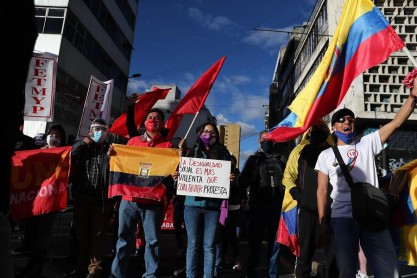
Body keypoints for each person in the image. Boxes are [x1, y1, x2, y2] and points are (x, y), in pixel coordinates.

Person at [316, 77, 417, 278]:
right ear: (334, 127)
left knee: (388, 270)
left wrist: (413, 95)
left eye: (351, 119)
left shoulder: (367, 142)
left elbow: (397, 122)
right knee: (345, 271)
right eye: (342, 120)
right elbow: (322, 190)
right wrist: (323, 223)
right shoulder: (325, 155)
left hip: (373, 216)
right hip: (342, 218)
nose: (347, 122)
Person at [109, 108, 175, 278]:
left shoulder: (167, 146)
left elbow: (169, 174)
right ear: (145, 121)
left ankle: (150, 275)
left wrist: (174, 174)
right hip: (129, 199)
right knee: (123, 239)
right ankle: (117, 274)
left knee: (152, 241)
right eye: (150, 117)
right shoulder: (132, 142)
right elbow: (122, 165)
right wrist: (113, 156)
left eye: (158, 118)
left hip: (152, 202)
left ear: (162, 124)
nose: (154, 120)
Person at [282, 120, 334, 278]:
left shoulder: (335, 152)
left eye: (322, 127)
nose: (318, 130)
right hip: (307, 211)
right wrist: (299, 197)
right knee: (304, 256)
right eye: (315, 128)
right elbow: (288, 177)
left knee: (333, 257)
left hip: (331, 212)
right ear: (309, 132)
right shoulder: (299, 151)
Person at [16, 124, 67, 278]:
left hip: (51, 198)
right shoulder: (38, 151)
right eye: (51, 134)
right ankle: (32, 262)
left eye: (57, 135)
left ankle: (36, 264)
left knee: (44, 231)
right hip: (35, 197)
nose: (54, 137)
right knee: (33, 229)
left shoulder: (64, 154)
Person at [183, 122, 232, 278]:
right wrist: (178, 177)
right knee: (192, 245)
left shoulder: (223, 153)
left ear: (217, 136)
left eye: (212, 133)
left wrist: (231, 177)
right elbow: (183, 176)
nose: (209, 135)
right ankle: (190, 276)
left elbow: (228, 174)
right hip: (192, 205)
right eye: (205, 131)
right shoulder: (191, 152)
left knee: (209, 246)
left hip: (212, 206)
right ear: (200, 133)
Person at [67, 118, 114, 278]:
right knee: (82, 234)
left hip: (100, 200)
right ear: (89, 132)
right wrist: (85, 142)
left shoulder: (110, 150)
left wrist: (111, 156)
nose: (99, 132)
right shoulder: (83, 148)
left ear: (107, 133)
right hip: (82, 197)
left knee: (98, 235)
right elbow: (71, 154)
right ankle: (82, 266)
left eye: (103, 129)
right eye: (96, 129)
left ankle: (95, 269)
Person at [239, 131, 285, 278]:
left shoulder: (282, 158)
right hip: (257, 208)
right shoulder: (253, 160)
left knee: (275, 245)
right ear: (259, 141)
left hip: (277, 208)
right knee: (255, 245)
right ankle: (251, 273)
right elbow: (241, 182)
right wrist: (252, 175)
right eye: (264, 139)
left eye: (269, 139)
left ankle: (273, 274)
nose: (267, 141)